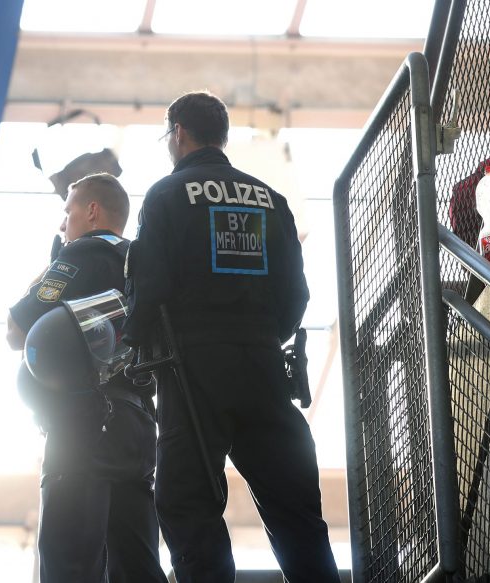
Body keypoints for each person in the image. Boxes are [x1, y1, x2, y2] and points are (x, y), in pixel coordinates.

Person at [122, 91, 340, 583]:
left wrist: (133, 345)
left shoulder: (166, 196)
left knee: (187, 502)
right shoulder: (270, 198)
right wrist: (261, 337)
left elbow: (149, 287)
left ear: (178, 133)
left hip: (192, 370)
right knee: (295, 510)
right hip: (265, 368)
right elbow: (296, 294)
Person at [7, 173, 167, 583]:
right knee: (137, 564)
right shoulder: (148, 262)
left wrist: (51, 266)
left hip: (82, 426)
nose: (64, 224)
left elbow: (17, 330)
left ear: (92, 211)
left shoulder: (81, 254)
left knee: (70, 561)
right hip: (139, 429)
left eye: (69, 210)